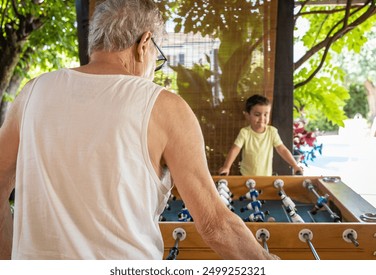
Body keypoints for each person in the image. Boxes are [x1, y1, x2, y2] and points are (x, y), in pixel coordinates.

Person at [0, 0, 278, 260]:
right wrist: (267, 263)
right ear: (144, 43)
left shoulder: (31, 93)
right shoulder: (166, 106)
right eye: (157, 58)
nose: (153, 71)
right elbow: (215, 225)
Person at [219, 94, 303, 176]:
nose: (262, 118)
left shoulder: (272, 132)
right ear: (248, 115)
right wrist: (226, 167)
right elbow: (235, 149)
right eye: (257, 114)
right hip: (245, 176)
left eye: (266, 114)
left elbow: (282, 150)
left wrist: (295, 166)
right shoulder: (245, 132)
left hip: (266, 177)